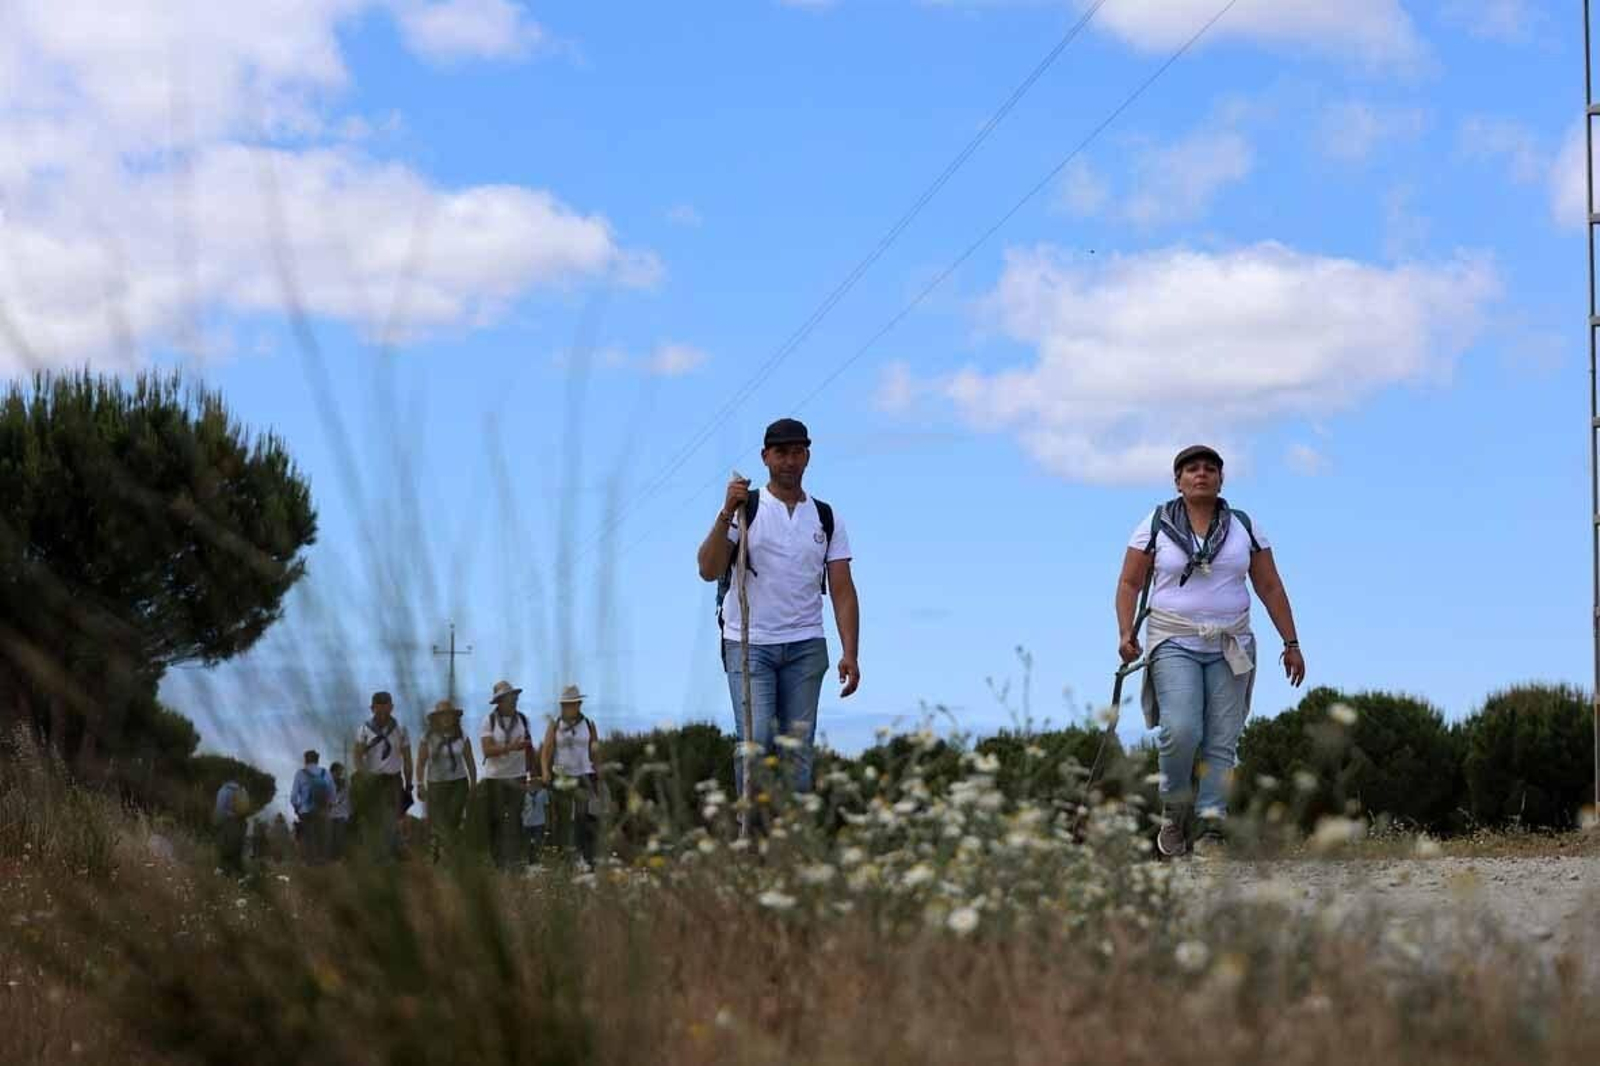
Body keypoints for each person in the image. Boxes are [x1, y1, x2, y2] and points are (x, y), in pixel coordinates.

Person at [1115, 445, 1306, 859]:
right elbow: (1129, 583)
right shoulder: (1155, 524)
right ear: (1178, 480)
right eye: (1191, 469)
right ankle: (1173, 811)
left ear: (1221, 479)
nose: (1200, 474)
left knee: (1223, 739)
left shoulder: (1244, 527)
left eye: (1209, 469)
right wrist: (1126, 631)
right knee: (1181, 730)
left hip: (1231, 642)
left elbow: (1270, 586)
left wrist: (1291, 642)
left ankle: (1211, 828)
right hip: (1174, 640)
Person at [695, 417, 860, 802]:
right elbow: (708, 569)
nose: (789, 461)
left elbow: (842, 587)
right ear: (766, 457)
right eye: (781, 453)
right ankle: (751, 834)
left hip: (806, 644)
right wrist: (725, 513)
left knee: (797, 749)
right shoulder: (745, 510)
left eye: (797, 452)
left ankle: (789, 840)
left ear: (807, 457)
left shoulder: (826, 517)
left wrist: (850, 653)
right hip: (750, 644)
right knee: (757, 742)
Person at [540, 685, 601, 866]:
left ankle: (586, 857)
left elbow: (595, 750)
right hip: (562, 776)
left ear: (579, 704)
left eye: (572, 704)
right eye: (565, 704)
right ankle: (563, 858)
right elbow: (546, 750)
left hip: (585, 775)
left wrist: (599, 771)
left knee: (584, 816)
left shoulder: (588, 724)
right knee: (563, 817)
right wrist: (545, 771)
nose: (568, 707)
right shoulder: (555, 725)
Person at [479, 680, 536, 868]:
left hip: (518, 776)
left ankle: (515, 860)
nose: (514, 701)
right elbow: (486, 750)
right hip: (495, 778)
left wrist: (532, 774)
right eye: (510, 698)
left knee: (515, 819)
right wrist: (511, 747)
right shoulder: (489, 721)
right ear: (499, 701)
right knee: (494, 820)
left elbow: (529, 748)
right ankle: (498, 862)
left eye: (515, 697)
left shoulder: (524, 720)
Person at [352, 690, 413, 860]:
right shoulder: (364, 730)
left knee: (391, 818)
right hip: (373, 779)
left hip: (393, 779)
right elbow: (357, 756)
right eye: (378, 709)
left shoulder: (401, 730)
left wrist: (409, 783)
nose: (382, 713)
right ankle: (377, 854)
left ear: (391, 707)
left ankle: (389, 854)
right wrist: (364, 776)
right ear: (372, 708)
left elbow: (407, 758)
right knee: (373, 818)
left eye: (386, 708)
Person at [417, 699, 477, 861]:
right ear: (436, 718)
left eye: (449, 715)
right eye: (442, 715)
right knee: (438, 819)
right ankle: (437, 849)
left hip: (458, 782)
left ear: (454, 717)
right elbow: (421, 762)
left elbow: (470, 761)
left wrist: (473, 783)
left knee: (453, 817)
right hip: (436, 783)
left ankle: (450, 851)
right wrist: (419, 784)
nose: (446, 718)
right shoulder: (427, 737)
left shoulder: (462, 736)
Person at [290, 749, 335, 864]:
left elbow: (294, 796)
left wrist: (297, 809)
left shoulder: (300, 774)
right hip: (322, 810)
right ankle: (322, 861)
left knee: (308, 836)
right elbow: (332, 794)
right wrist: (329, 807)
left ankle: (310, 861)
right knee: (321, 836)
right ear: (317, 760)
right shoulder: (326, 773)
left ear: (306, 760)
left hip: (306, 812)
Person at [212, 778, 252, 875]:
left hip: (228, 823)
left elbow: (220, 809)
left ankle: (223, 877)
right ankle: (239, 878)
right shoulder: (242, 790)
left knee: (225, 852)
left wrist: (218, 824)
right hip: (241, 824)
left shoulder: (224, 790)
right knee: (237, 853)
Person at [327, 761, 352, 860]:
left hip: (341, 815)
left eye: (340, 772)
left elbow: (348, 799)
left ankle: (340, 857)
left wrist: (349, 813)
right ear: (332, 772)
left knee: (340, 837)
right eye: (338, 772)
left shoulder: (344, 784)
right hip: (330, 815)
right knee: (331, 838)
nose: (339, 774)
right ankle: (332, 858)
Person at [522, 777, 550, 865]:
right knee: (528, 843)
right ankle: (529, 860)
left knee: (538, 841)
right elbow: (522, 807)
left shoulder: (543, 792)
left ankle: (537, 859)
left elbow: (546, 807)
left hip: (539, 822)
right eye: (531, 781)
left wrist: (548, 821)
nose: (532, 782)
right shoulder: (525, 793)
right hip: (527, 822)